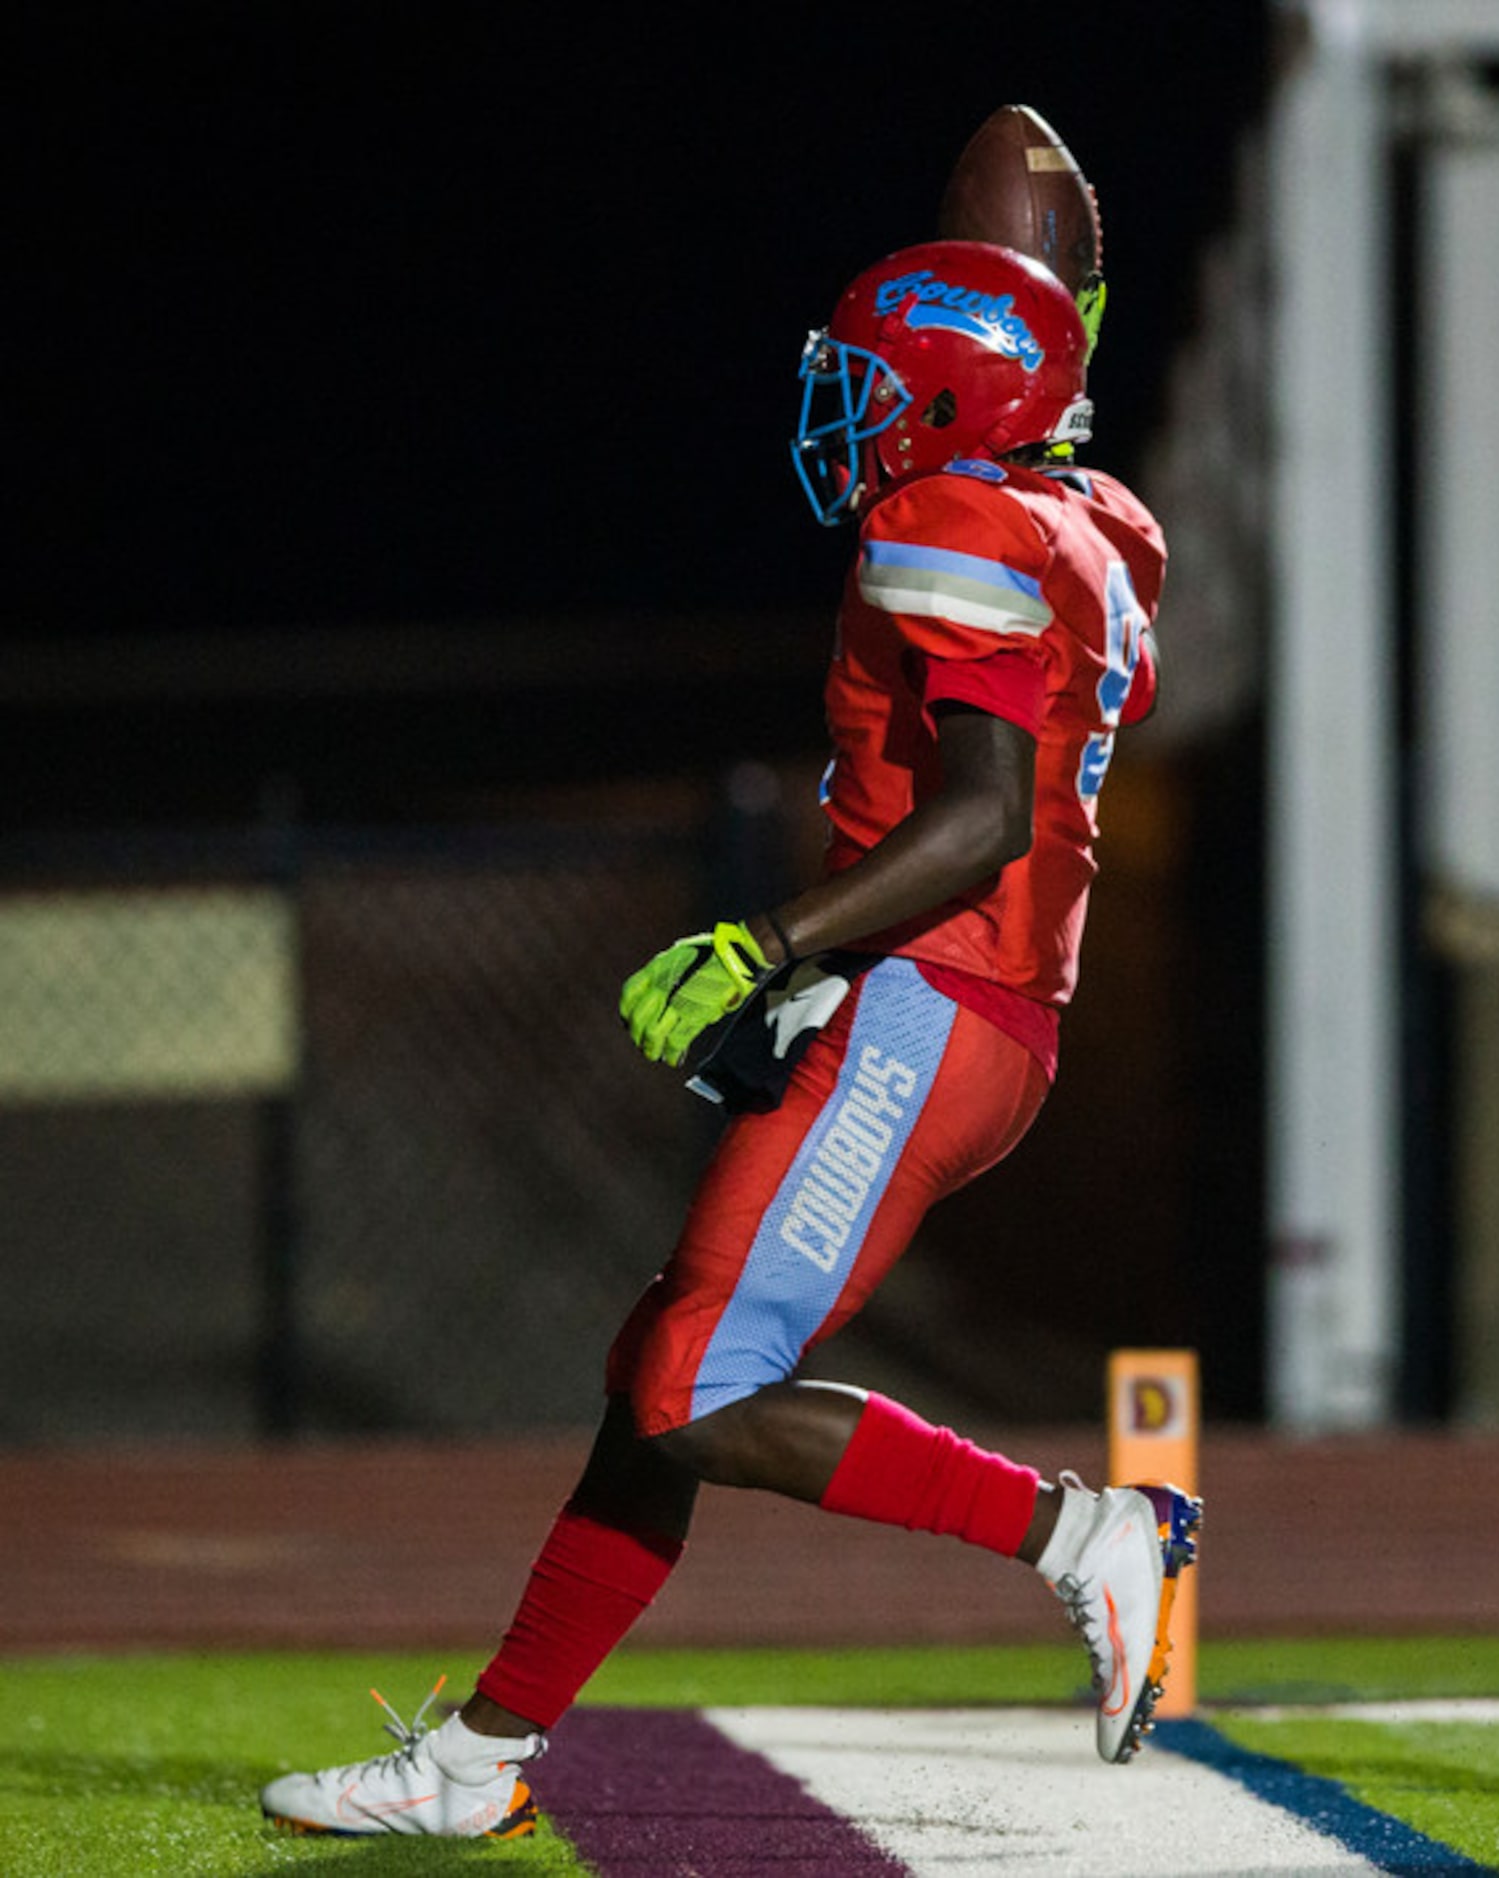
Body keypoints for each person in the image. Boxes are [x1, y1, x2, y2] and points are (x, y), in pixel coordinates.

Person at [259, 237, 1197, 1839]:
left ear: (961, 390)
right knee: (658, 1376)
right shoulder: (1091, 521)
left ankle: (1085, 1532)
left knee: (699, 1381)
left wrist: (772, 938)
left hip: (936, 995)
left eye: (878, 379)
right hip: (960, 1001)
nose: (844, 409)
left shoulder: (950, 514)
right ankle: (481, 1758)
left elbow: (977, 819)